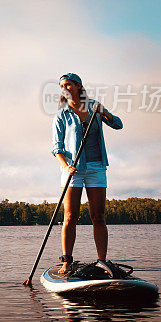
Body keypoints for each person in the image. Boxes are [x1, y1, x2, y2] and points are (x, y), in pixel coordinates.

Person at [52, 73, 123, 277]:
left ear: (78, 86)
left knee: (98, 216)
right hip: (73, 169)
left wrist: (106, 113)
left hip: (96, 167)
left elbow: (118, 124)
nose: (65, 89)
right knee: (70, 216)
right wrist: (66, 166)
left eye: (68, 85)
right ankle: (67, 262)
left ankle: (102, 261)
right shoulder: (62, 114)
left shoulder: (94, 107)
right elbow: (56, 148)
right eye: (62, 86)